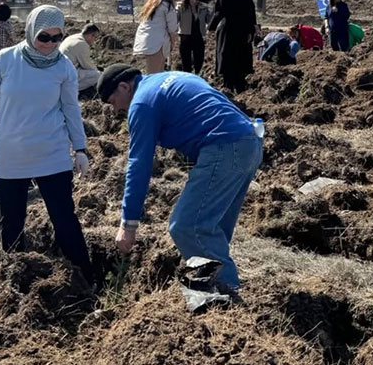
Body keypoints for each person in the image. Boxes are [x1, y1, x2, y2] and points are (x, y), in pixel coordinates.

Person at [96, 65, 262, 296]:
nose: (116, 110)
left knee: (186, 226)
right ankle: (212, 293)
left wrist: (128, 224)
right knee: (212, 228)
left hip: (225, 147)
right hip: (249, 140)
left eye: (113, 101)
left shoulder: (142, 103)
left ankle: (226, 297)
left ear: (124, 86)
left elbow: (139, 164)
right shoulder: (170, 77)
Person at [0, 5, 93, 283]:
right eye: (43, 37)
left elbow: (71, 109)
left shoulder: (63, 67)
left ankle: (85, 277)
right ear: (29, 32)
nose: (50, 44)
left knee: (64, 219)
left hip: (52, 153)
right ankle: (15, 278)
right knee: (12, 222)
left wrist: (81, 148)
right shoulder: (5, 60)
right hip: (11, 154)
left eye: (56, 37)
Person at [208, 0, 256, 92]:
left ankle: (228, 87)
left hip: (227, 29)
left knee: (227, 58)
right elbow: (249, 15)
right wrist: (250, 31)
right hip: (241, 31)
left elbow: (218, 12)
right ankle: (240, 87)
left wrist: (211, 27)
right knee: (238, 58)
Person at [133, 0, 178, 73]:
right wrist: (172, 43)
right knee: (154, 73)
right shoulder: (167, 6)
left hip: (148, 41)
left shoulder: (151, 5)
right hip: (158, 43)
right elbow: (172, 28)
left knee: (156, 72)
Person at [177, 0, 212, 74]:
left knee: (199, 59)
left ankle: (197, 75)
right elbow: (175, 19)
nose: (195, 1)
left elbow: (209, 20)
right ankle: (187, 78)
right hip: (185, 36)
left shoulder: (203, 8)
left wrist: (210, 9)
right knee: (186, 62)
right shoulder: (182, 7)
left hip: (198, 36)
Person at [59, 23, 102, 91]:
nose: (94, 41)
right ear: (91, 35)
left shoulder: (72, 37)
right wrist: (99, 71)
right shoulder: (82, 44)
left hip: (59, 71)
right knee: (98, 75)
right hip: (65, 75)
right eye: (95, 37)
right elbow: (87, 66)